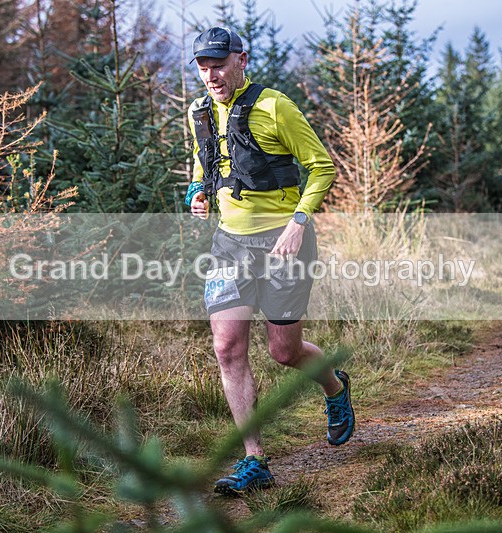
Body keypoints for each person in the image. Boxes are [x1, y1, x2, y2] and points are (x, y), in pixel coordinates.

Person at [184, 27, 354, 496]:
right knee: (227, 347)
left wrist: (299, 221)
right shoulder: (199, 111)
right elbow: (205, 163)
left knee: (285, 352)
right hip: (229, 246)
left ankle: (335, 388)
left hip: (284, 243)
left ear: (242, 59)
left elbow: (321, 166)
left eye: (219, 63)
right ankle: (254, 460)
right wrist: (197, 193)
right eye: (203, 66)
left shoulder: (275, 106)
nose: (211, 75)